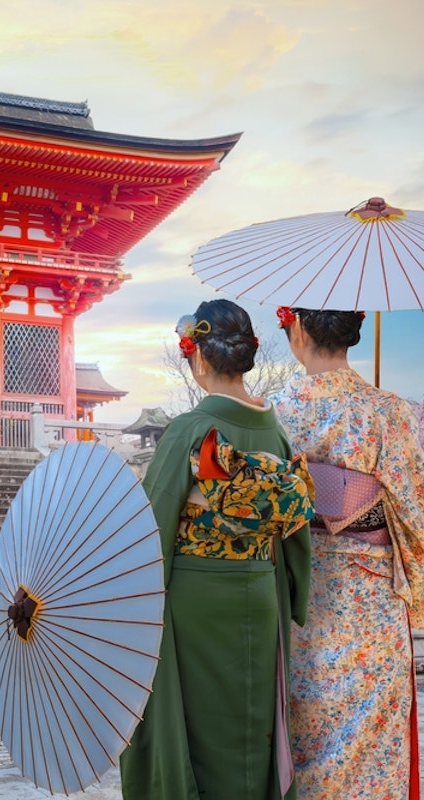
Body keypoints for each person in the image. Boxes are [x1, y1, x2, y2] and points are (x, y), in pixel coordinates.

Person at [120, 298, 314, 800]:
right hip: (261, 590)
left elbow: (152, 525)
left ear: (200, 359)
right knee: (255, 724)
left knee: (190, 726)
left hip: (194, 600)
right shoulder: (277, 434)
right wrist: (294, 596)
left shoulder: (190, 430)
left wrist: (133, 604)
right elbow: (296, 537)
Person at [271, 306, 424, 800]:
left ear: (299, 330)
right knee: (369, 740)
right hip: (368, 599)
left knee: (301, 729)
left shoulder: (273, 411)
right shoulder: (386, 410)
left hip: (298, 596)